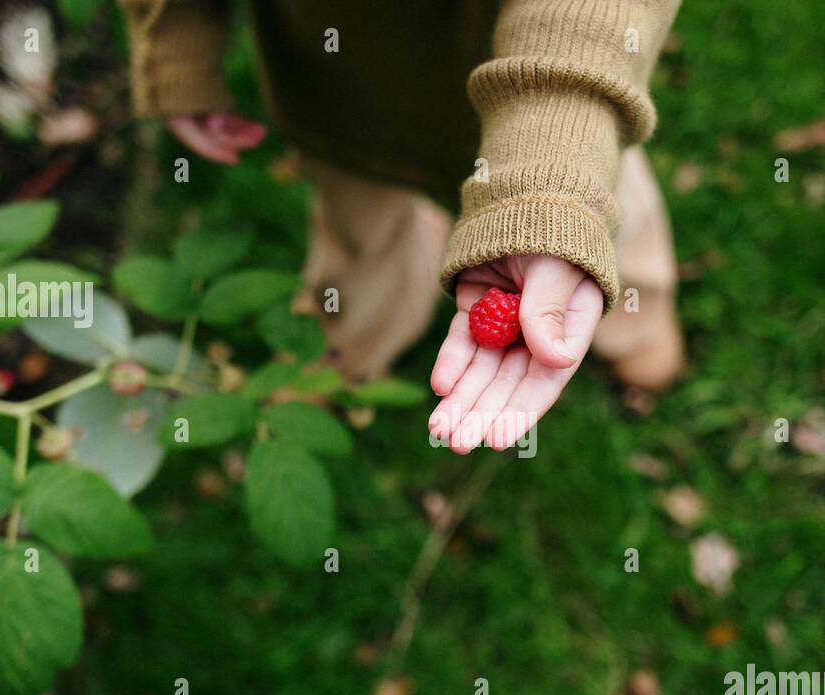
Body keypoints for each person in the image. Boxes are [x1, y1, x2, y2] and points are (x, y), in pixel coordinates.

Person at [119, 0, 684, 453]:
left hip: (551, 97)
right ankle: (345, 348)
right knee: (359, 236)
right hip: (340, 86)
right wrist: (179, 41)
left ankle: (636, 317)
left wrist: (555, 165)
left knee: (591, 225)